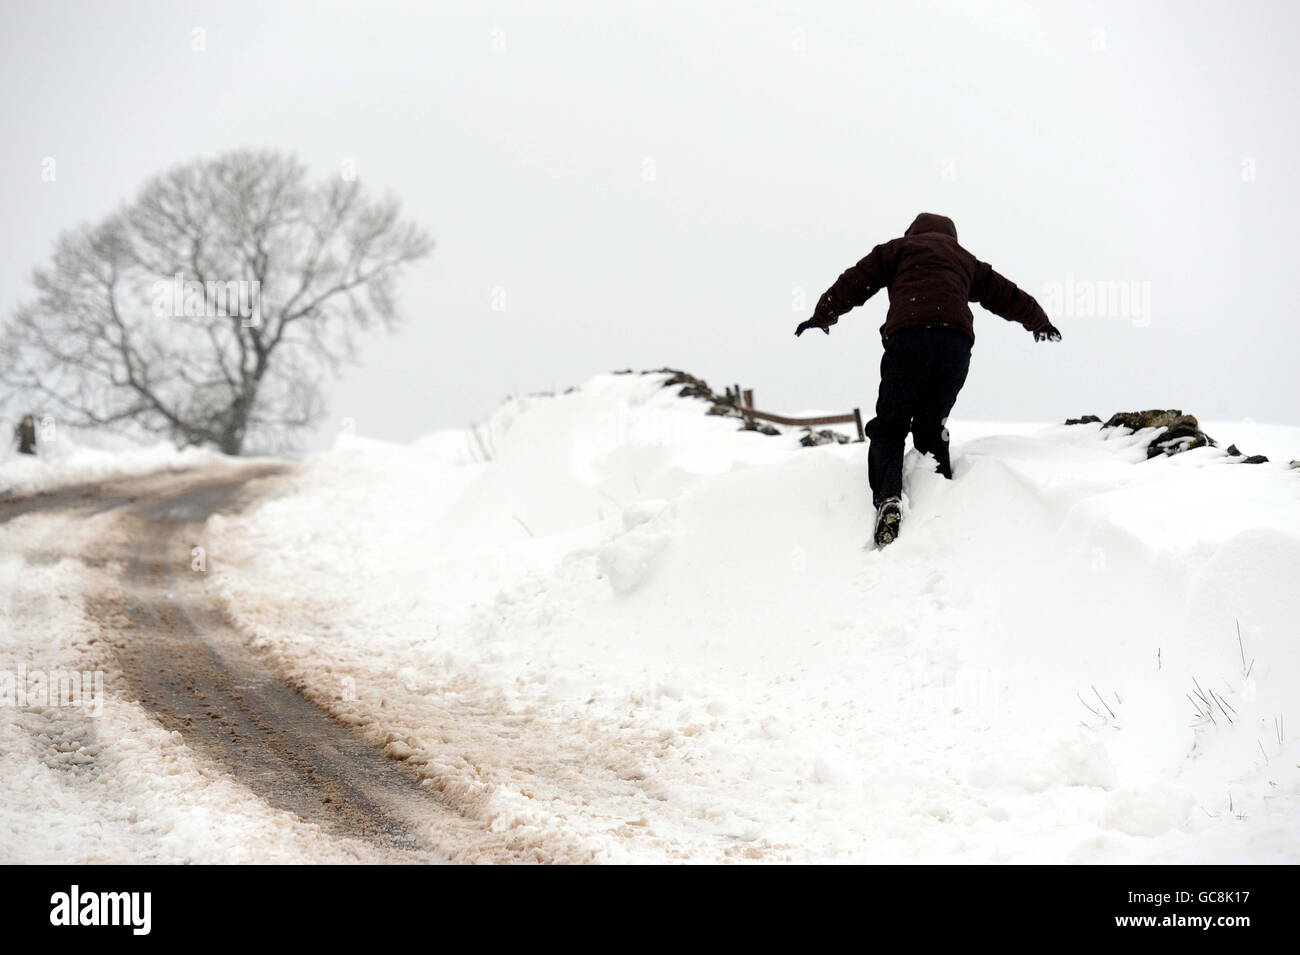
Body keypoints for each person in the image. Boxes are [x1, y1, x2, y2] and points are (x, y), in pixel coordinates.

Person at [795, 212, 1060, 547]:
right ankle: (939, 498)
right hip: (955, 346)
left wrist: (824, 314)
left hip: (910, 339)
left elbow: (855, 281)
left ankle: (889, 497)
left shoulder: (898, 249)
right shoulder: (965, 261)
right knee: (931, 424)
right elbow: (1006, 294)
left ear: (913, 232)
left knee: (891, 424)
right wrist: (1039, 322)